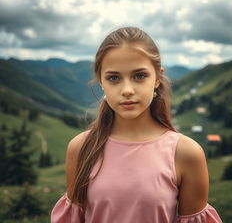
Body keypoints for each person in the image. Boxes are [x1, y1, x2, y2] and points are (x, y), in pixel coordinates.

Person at [51, 27, 222, 223]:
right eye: (113, 78)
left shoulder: (185, 153)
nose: (127, 90)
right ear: (101, 81)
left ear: (157, 78)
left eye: (139, 76)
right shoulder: (81, 148)